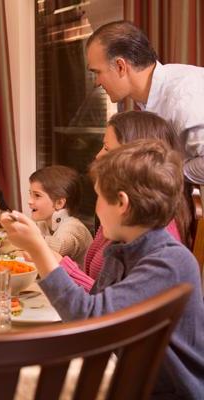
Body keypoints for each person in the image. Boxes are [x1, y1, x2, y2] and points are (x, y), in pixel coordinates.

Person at [0, 139, 204, 399]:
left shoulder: (169, 262)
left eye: (98, 197)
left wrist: (38, 249)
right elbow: (93, 307)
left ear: (122, 203)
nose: (95, 207)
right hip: (134, 377)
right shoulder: (120, 250)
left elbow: (92, 322)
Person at [60, 111, 190, 292]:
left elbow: (107, 304)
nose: (98, 156)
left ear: (134, 155)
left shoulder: (151, 238)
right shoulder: (118, 220)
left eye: (107, 148)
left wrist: (56, 265)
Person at [86, 20, 204, 183]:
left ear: (121, 66)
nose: (96, 82)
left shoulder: (183, 98)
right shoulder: (149, 97)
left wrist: (160, 173)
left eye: (97, 72)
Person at [28, 165, 92, 265]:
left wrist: (28, 235)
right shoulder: (44, 223)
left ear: (59, 203)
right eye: (30, 194)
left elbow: (61, 246)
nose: (29, 201)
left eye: (37, 195)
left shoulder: (75, 228)